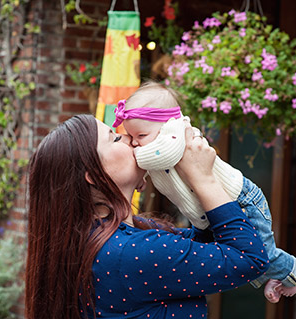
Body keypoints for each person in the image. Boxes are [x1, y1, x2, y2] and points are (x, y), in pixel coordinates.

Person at [25, 114, 269, 319]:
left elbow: (208, 240)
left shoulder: (118, 238)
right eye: (116, 138)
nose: (128, 138)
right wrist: (202, 178)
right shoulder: (133, 252)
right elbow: (248, 257)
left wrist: (178, 169)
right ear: (92, 173)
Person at [114, 81, 296, 303]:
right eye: (130, 137)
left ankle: (290, 271)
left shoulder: (176, 132)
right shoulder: (153, 144)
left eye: (140, 136)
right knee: (236, 254)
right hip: (212, 214)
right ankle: (274, 277)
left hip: (242, 201)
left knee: (261, 253)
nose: (134, 144)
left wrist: (134, 158)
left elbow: (166, 155)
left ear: (166, 123)